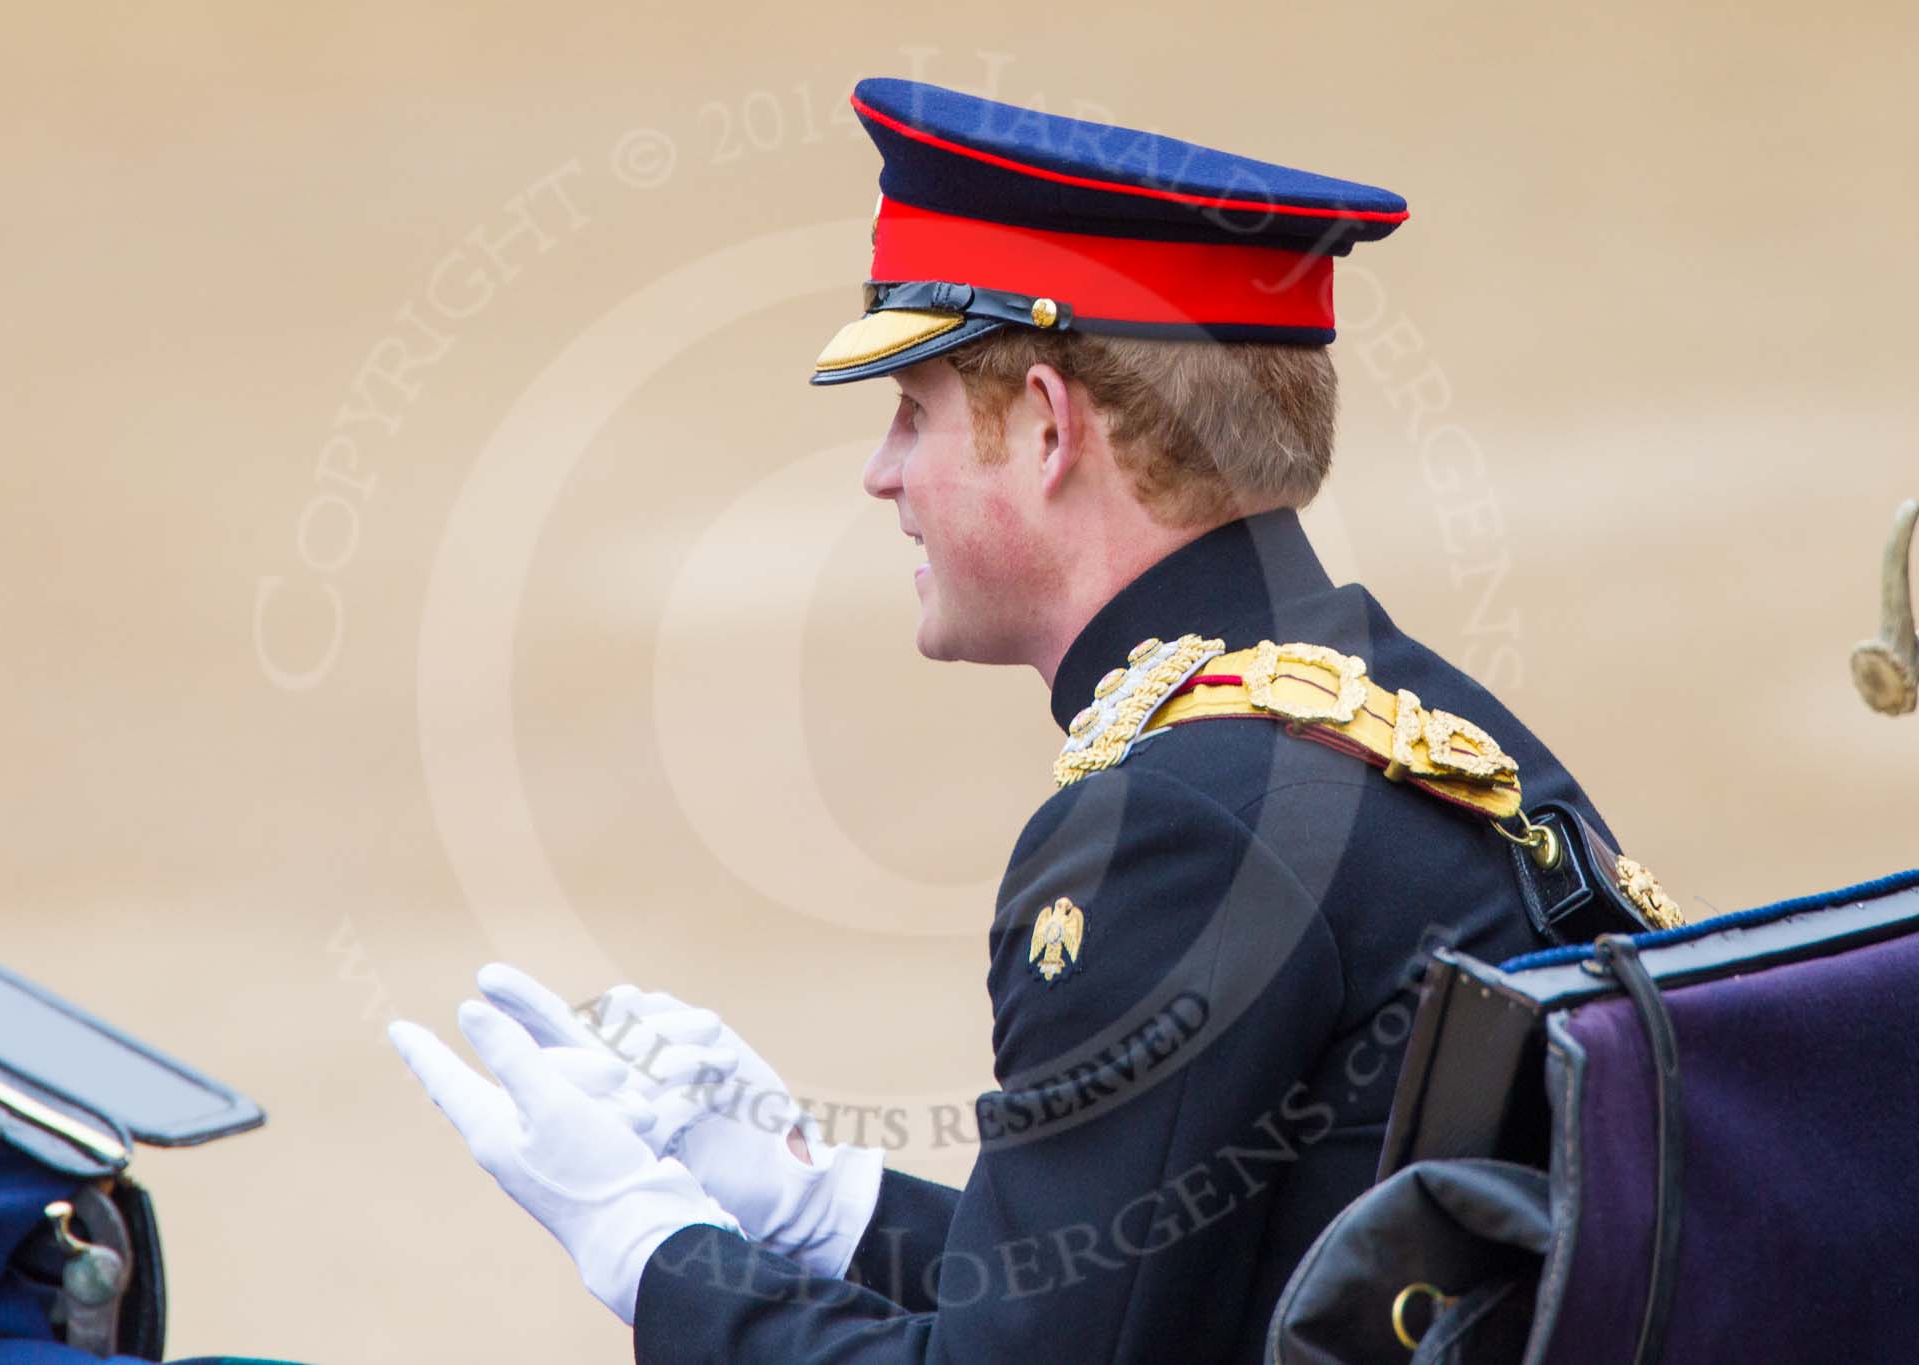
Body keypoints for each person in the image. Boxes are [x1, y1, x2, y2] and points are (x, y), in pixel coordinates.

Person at [390, 76, 1628, 1362]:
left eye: (911, 414)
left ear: (1045, 426)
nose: (882, 475)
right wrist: (818, 1208)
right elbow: (1131, 1300)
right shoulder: (1413, 708)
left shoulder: (1174, 822)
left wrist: (652, 1251)